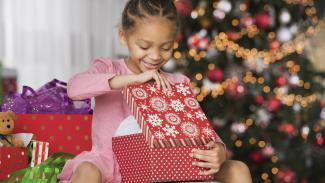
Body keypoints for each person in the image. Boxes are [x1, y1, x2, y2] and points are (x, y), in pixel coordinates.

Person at [58, 0, 252, 182]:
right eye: (144, 46)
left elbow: (198, 129)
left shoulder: (176, 82)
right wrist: (132, 80)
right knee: (87, 170)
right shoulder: (109, 69)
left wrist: (217, 149)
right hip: (109, 163)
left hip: (166, 163)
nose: (155, 56)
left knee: (239, 169)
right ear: (123, 35)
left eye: (166, 48)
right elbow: (75, 87)